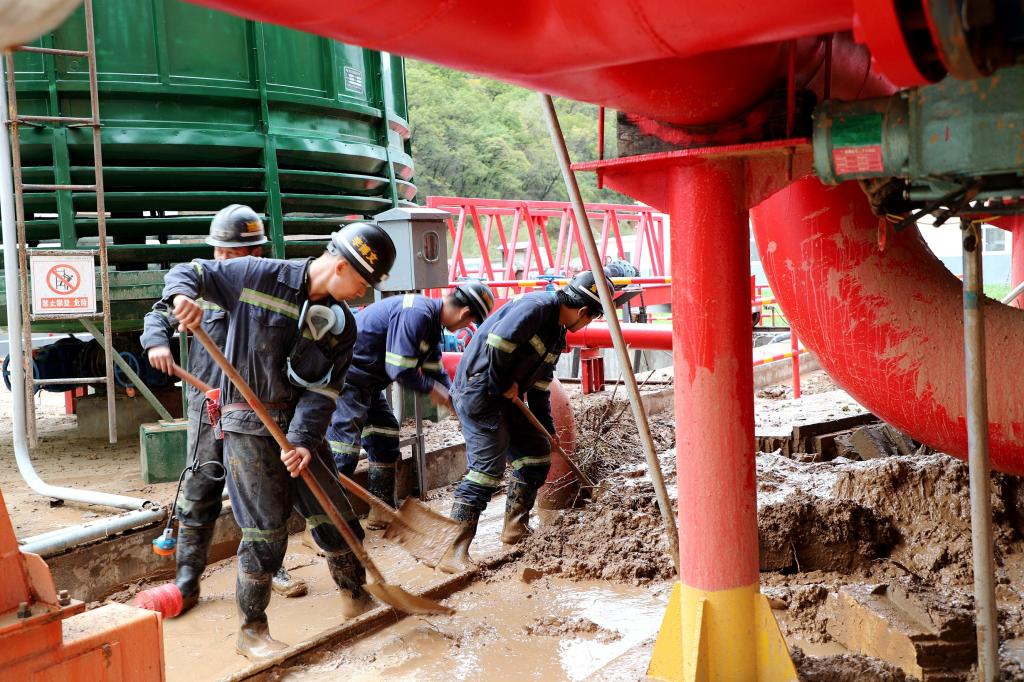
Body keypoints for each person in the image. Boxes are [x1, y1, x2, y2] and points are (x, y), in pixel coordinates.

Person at [159, 221, 396, 661]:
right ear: (341, 266)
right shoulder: (257, 275)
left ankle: (356, 597)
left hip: (300, 428)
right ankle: (251, 631)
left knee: (338, 519)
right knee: (266, 534)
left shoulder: (342, 325)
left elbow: (325, 390)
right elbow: (189, 271)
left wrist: (303, 440)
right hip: (248, 425)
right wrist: (181, 298)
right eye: (362, 282)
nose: (362, 293)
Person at [141, 205, 308, 617]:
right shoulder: (200, 285)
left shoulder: (272, 290)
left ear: (256, 253)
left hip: (253, 409)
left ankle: (271, 566)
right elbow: (159, 311)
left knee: (262, 491)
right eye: (218, 252)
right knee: (201, 484)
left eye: (232, 254)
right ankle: (187, 581)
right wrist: (156, 341)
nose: (222, 260)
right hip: (208, 405)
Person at [438, 270, 610, 574]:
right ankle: (453, 551)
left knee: (536, 455)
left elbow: (541, 387)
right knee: (486, 471)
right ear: (584, 311)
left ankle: (515, 529)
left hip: (506, 397)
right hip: (480, 392)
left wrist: (549, 430)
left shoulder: (556, 333)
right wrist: (503, 382)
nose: (588, 324)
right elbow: (498, 344)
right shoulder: (536, 307)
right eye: (593, 318)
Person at [327, 280, 495, 529]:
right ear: (465, 313)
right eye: (469, 322)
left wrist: (456, 405)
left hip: (367, 382)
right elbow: (399, 370)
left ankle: (382, 511)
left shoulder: (431, 324)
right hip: (347, 377)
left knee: (385, 436)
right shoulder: (416, 313)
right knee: (343, 452)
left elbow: (435, 370)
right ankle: (324, 527)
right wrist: (432, 389)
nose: (465, 327)